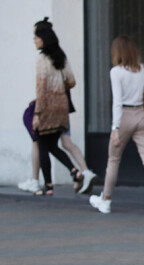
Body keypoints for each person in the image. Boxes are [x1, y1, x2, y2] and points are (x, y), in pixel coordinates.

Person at [89, 35, 144, 216]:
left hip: (124, 116)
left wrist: (115, 128)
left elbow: (117, 101)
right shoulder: (143, 69)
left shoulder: (116, 72)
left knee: (113, 160)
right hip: (141, 115)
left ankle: (106, 200)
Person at [31, 18, 95, 196]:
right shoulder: (61, 57)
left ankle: (49, 186)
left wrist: (37, 113)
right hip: (62, 107)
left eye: (36, 37)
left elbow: (41, 87)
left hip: (47, 106)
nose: (34, 40)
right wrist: (60, 88)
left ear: (43, 39)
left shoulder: (41, 59)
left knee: (43, 145)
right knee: (52, 145)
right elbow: (72, 81)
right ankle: (74, 172)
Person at [18, 131, 97, 195]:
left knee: (43, 147)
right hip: (59, 118)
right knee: (54, 146)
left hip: (45, 118)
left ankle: (47, 185)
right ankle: (75, 171)